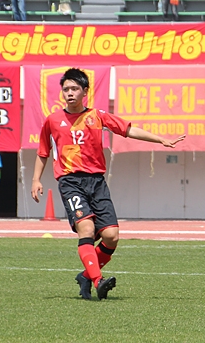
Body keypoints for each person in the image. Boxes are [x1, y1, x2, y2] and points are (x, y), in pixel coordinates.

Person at [31, 68, 185, 300]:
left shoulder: (97, 115)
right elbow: (43, 152)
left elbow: (128, 129)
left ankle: (85, 275)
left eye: (74, 89)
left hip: (96, 182)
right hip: (70, 181)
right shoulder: (52, 121)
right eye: (66, 89)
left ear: (85, 91)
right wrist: (35, 179)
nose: (69, 93)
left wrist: (160, 139)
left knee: (111, 236)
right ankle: (98, 280)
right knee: (87, 229)